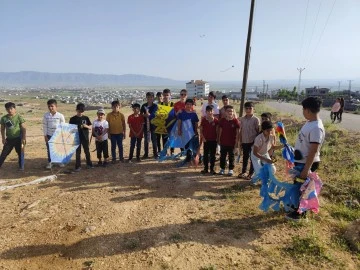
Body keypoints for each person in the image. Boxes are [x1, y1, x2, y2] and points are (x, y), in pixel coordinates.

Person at [285, 97, 325, 222]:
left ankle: (300, 215)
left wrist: (306, 169)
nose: (303, 112)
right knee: (298, 187)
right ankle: (296, 207)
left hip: (306, 164)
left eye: (303, 109)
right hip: (301, 162)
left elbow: (313, 150)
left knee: (303, 189)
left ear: (307, 110)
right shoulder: (310, 123)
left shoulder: (316, 128)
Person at [0, 102, 26, 171]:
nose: (10, 110)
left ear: (15, 109)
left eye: (11, 108)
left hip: (19, 138)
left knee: (21, 153)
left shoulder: (19, 117)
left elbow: (23, 128)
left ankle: (21, 167)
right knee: (4, 153)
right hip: (9, 139)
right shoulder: (4, 118)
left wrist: (24, 138)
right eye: (8, 109)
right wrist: (3, 138)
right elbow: (2, 129)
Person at [238, 102, 260, 180]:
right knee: (245, 157)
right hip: (244, 141)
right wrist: (240, 141)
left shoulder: (256, 120)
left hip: (253, 142)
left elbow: (258, 131)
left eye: (250, 108)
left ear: (253, 109)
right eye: (246, 108)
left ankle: (251, 173)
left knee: (252, 158)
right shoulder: (242, 119)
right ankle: (243, 171)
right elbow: (241, 130)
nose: (248, 110)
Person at [69, 103, 93, 171]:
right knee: (78, 152)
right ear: (76, 110)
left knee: (87, 151)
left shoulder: (86, 118)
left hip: (85, 138)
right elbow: (70, 129)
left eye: (82, 111)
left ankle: (89, 164)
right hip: (76, 138)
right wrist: (76, 128)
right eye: (79, 111)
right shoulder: (72, 119)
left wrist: (86, 126)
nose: (80, 113)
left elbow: (91, 127)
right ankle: (78, 166)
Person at [43, 99, 65, 169]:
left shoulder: (60, 115)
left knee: (58, 149)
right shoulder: (46, 116)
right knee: (49, 149)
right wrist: (45, 135)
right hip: (49, 135)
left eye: (52, 106)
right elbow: (44, 126)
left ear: (56, 106)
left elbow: (63, 126)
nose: (50, 108)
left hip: (58, 135)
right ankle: (50, 162)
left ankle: (59, 161)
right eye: (49, 106)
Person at [218, 105, 240, 176]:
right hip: (223, 142)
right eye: (228, 111)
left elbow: (237, 133)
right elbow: (220, 131)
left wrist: (236, 143)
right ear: (225, 112)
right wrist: (219, 139)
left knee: (231, 156)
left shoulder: (235, 121)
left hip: (232, 143)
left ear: (233, 112)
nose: (230, 112)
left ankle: (231, 169)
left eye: (231, 111)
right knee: (222, 156)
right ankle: (222, 169)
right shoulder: (222, 121)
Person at [200, 105, 219, 174]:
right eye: (208, 111)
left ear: (213, 111)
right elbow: (201, 130)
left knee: (213, 155)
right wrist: (203, 138)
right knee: (205, 155)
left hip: (213, 140)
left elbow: (217, 131)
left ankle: (212, 169)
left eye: (211, 111)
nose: (209, 112)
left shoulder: (216, 121)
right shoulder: (204, 120)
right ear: (206, 112)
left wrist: (217, 138)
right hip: (206, 140)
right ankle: (205, 168)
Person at [141, 92, 158, 159]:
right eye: (148, 97)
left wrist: (150, 115)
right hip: (146, 126)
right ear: (146, 98)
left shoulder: (155, 106)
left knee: (154, 140)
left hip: (153, 126)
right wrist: (144, 115)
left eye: (151, 97)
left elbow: (155, 114)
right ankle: (146, 154)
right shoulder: (143, 105)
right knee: (146, 140)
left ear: (153, 98)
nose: (149, 99)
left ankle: (155, 154)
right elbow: (141, 113)